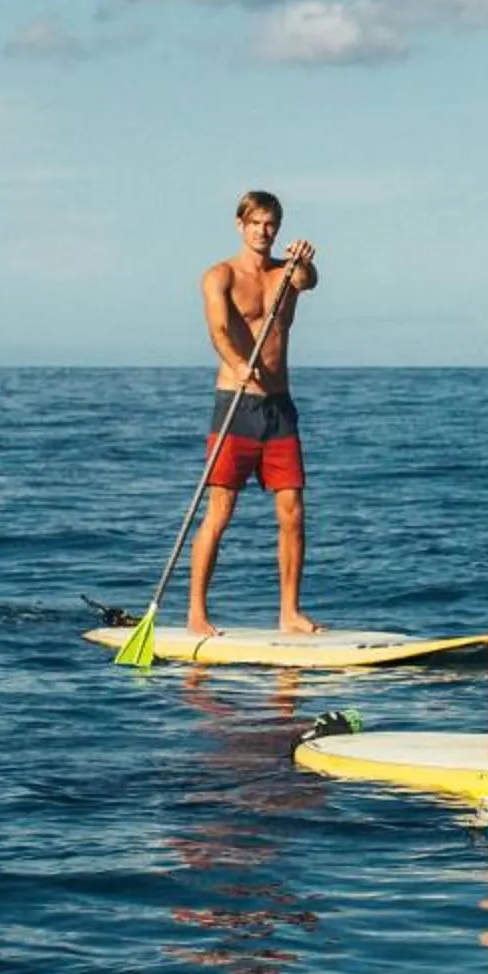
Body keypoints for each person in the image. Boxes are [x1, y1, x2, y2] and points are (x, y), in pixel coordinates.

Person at [188, 189, 321, 638]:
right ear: (240, 224)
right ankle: (196, 613)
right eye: (256, 223)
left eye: (272, 225)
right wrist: (238, 363)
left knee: (292, 511)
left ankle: (289, 613)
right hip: (236, 404)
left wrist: (302, 260)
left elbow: (310, 280)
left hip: (280, 408)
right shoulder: (218, 276)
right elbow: (219, 331)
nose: (264, 232)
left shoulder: (287, 275)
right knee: (220, 510)